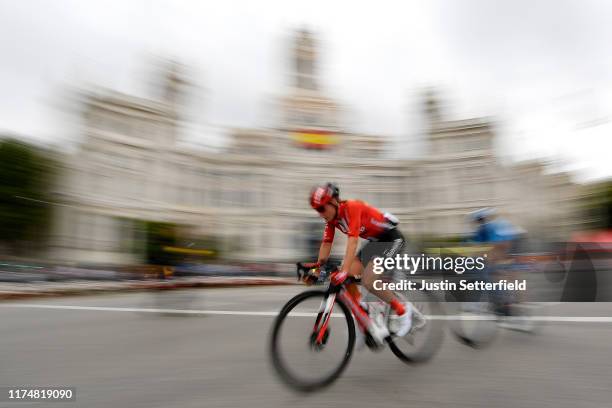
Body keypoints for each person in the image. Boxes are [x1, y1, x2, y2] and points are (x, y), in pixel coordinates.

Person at [304, 182, 422, 342]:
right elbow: (326, 243)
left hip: (392, 240)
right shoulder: (332, 220)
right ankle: (364, 315)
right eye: (317, 210)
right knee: (348, 276)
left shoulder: (352, 207)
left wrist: (344, 270)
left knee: (368, 280)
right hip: (375, 243)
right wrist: (317, 268)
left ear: (333, 202)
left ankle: (402, 311)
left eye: (321, 208)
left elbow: (352, 242)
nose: (320, 213)